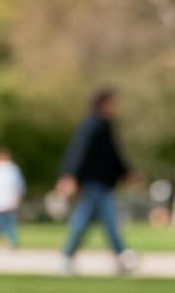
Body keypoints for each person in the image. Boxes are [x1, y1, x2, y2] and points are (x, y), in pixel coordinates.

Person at [57, 88, 138, 274]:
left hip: (102, 182)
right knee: (94, 220)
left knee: (95, 220)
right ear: (103, 103)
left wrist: (126, 173)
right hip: (93, 182)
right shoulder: (92, 125)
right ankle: (120, 255)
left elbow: (112, 156)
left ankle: (70, 256)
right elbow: (78, 152)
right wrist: (69, 175)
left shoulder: (104, 125)